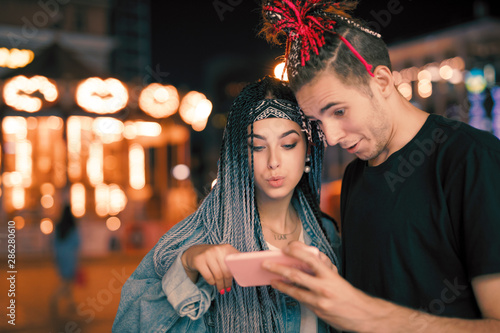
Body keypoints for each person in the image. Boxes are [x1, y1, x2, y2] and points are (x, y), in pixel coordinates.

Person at [259, 0, 500, 331]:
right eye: (317, 120)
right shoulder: (356, 175)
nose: (330, 136)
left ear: (383, 82)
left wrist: (363, 312)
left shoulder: (474, 159)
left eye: (338, 111)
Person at [112, 76, 341, 332]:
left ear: (309, 149)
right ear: (240, 154)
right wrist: (187, 267)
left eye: (288, 144)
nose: (273, 161)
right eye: (256, 147)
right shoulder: (202, 238)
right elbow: (129, 326)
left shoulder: (327, 235)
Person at [51, 203, 80, 318]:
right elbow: (77, 243)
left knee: (67, 281)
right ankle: (55, 298)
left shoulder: (59, 226)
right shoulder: (73, 226)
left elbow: (54, 243)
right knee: (67, 282)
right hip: (70, 258)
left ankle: (71, 304)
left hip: (60, 257)